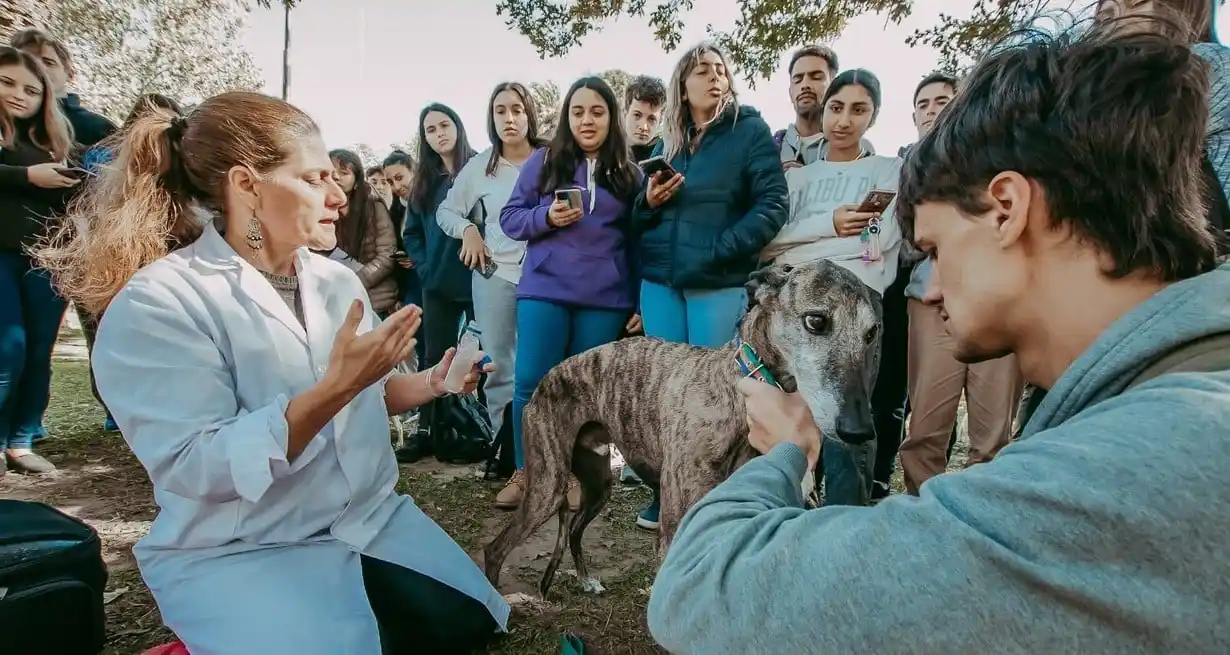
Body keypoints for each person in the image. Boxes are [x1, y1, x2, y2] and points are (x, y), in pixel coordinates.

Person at [647, 19, 1230, 653]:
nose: (928, 288)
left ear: (1006, 208)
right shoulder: (1168, 391)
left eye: (935, 248)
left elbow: (697, 593)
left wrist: (788, 452)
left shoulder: (1147, 462)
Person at [33, 91, 508, 653]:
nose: (338, 195)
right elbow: (197, 465)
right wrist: (337, 389)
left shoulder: (337, 283)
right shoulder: (161, 302)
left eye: (335, 177)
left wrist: (433, 382)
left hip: (368, 522)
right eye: (313, 179)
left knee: (473, 624)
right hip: (244, 546)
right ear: (247, 185)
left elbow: (369, 396)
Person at [630, 42, 788, 530]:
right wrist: (649, 201)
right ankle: (667, 494)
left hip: (717, 284)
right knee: (665, 395)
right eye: (703, 70)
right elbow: (639, 215)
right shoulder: (667, 142)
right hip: (660, 284)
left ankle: (720, 502)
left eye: (722, 69)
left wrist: (722, 249)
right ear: (683, 82)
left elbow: (773, 204)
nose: (715, 77)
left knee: (720, 398)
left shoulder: (750, 131)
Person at [761, 68, 903, 506]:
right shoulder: (796, 179)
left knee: (849, 417)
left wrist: (807, 239)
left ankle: (845, 521)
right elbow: (769, 245)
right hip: (792, 308)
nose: (844, 120)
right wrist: (834, 224)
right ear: (823, 111)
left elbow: (877, 244)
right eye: (836, 108)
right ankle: (781, 511)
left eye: (858, 110)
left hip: (856, 311)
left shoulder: (889, 170)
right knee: (782, 413)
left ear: (873, 116)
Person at [500, 76, 641, 511]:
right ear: (566, 117)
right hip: (545, 289)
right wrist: (546, 216)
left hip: (604, 298)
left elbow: (638, 241)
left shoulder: (630, 173)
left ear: (611, 118)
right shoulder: (544, 161)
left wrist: (637, 300)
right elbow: (510, 218)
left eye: (597, 112)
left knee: (585, 393)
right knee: (531, 382)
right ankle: (527, 473)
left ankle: (575, 478)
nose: (587, 120)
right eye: (578, 112)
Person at [894, 71, 1023, 494]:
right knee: (925, 426)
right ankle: (919, 516)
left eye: (941, 100)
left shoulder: (993, 158)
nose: (932, 110)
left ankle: (987, 522)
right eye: (923, 103)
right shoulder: (907, 168)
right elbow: (908, 244)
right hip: (929, 307)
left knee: (992, 436)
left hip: (996, 301)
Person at [434, 81, 546, 504]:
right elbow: (447, 210)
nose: (510, 118)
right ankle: (512, 459)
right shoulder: (481, 166)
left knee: (546, 368)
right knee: (500, 369)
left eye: (517, 109)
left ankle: (554, 460)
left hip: (547, 276)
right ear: (491, 118)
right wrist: (468, 230)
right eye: (501, 111)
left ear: (529, 114)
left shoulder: (550, 159)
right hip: (495, 271)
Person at [0, 46, 76, 475]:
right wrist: (29, 176)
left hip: (45, 259)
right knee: (6, 351)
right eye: (7, 82)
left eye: (31, 89)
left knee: (37, 352)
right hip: (1, 257)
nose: (19, 95)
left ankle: (21, 440)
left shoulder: (54, 139)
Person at [398, 104, 479, 462]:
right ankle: (428, 430)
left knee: (484, 358)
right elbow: (411, 233)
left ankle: (484, 431)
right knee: (434, 355)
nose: (440, 134)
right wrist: (426, 268)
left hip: (482, 280)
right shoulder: (425, 182)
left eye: (445, 125)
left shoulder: (481, 168)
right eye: (431, 130)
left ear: (458, 127)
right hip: (438, 283)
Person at [11, 30, 115, 148]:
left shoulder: (99, 128)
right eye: (27, 61)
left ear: (70, 74)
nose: (36, 67)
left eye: (48, 62)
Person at [774, 45, 874, 168]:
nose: (805, 85)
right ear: (790, 92)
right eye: (798, 79)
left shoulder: (860, 149)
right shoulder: (767, 149)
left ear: (833, 87)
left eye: (816, 77)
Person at [328, 149, 399, 315]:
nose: (336, 177)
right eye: (331, 173)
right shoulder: (320, 209)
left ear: (357, 181)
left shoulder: (373, 207)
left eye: (343, 173)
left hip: (375, 299)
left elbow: (387, 255)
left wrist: (355, 281)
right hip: (336, 300)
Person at [624, 74, 666, 162]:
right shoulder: (604, 153)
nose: (643, 127)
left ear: (660, 121)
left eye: (651, 119)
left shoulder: (666, 157)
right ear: (625, 113)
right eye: (637, 115)